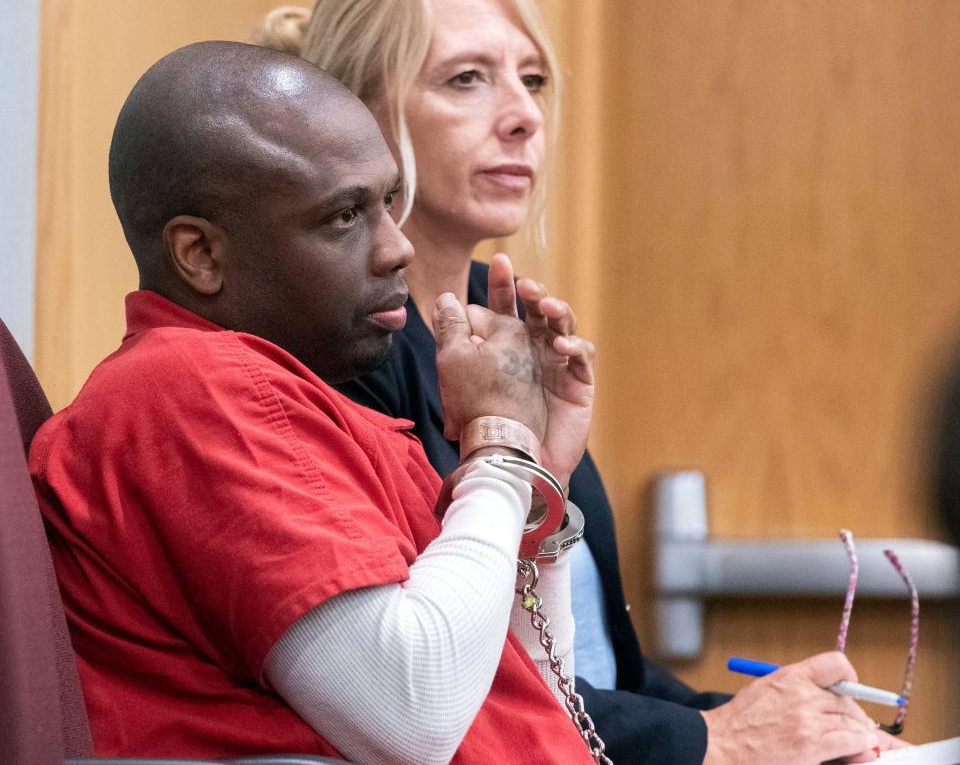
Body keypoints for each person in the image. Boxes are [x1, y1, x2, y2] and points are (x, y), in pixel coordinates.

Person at [255, 0, 903, 763]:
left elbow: (598, 672)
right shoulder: (341, 358)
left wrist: (785, 723)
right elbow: (462, 698)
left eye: (532, 78)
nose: (524, 114)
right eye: (467, 79)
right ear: (357, 114)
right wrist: (715, 738)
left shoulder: (513, 322)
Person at [30, 40, 603, 764]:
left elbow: (516, 705)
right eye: (344, 217)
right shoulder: (189, 393)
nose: (397, 249)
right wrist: (495, 444)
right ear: (201, 255)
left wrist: (530, 479)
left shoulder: (285, 395)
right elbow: (413, 714)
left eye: (389, 202)